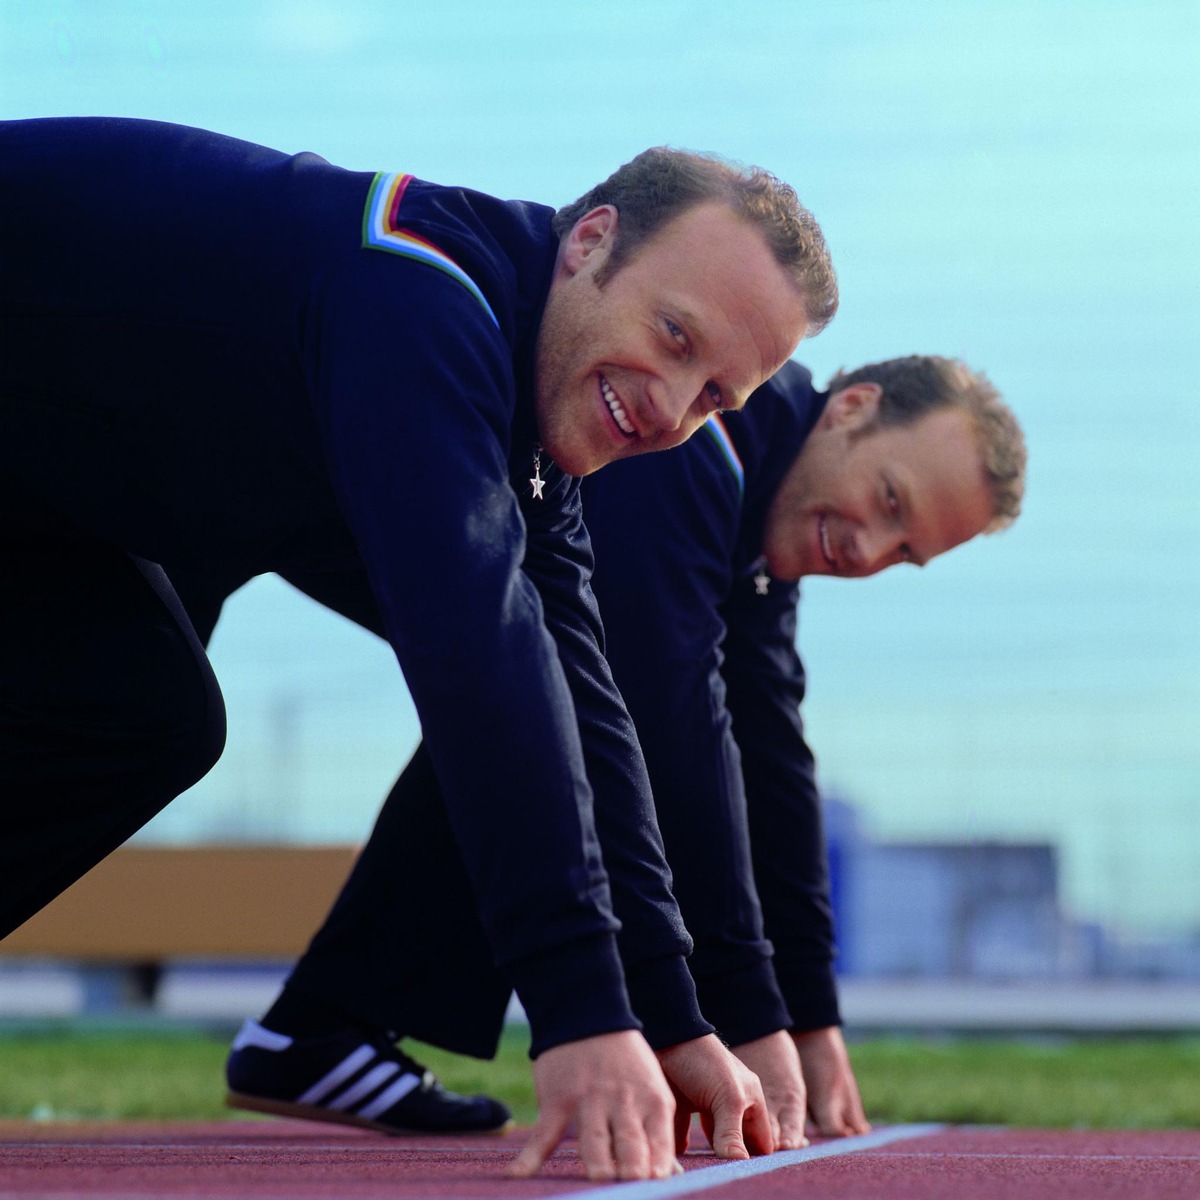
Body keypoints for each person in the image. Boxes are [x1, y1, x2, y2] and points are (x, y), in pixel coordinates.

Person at [0, 117, 837, 1181]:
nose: (672, 410)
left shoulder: (536, 443)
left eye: (717, 396)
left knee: (146, 713)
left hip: (36, 493)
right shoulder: (420, 293)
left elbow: (586, 699)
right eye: (675, 338)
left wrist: (672, 1018)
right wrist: (580, 1011)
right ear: (589, 243)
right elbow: (472, 650)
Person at [243, 354, 1024, 1152]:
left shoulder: (770, 504)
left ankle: (321, 1032)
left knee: (534, 704)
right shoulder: (705, 440)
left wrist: (809, 1013)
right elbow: (668, 721)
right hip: (235, 440)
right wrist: (739, 1010)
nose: (871, 550)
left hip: (302, 494)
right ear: (853, 408)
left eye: (904, 552)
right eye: (890, 502)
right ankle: (326, 1021)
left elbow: (768, 751)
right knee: (546, 715)